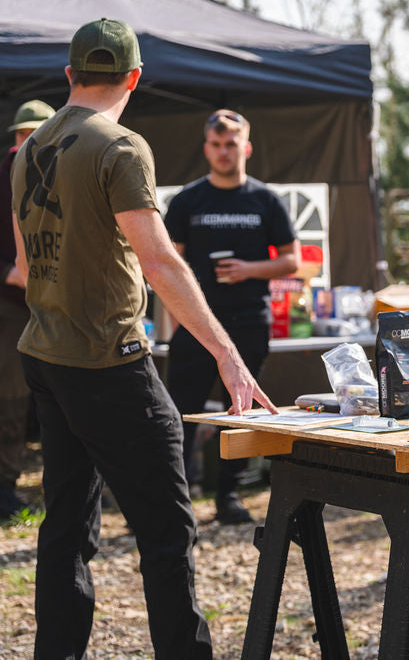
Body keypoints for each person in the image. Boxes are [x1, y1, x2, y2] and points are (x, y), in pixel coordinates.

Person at [11, 18, 274, 658]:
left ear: (70, 74)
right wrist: (228, 354)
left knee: (66, 526)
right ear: (134, 78)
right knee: (166, 528)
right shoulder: (120, 146)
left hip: (46, 352)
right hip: (107, 361)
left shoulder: (27, 151)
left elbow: (23, 268)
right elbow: (160, 263)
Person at [164, 109, 298, 524]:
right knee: (180, 413)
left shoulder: (265, 200)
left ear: (247, 147)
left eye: (232, 144)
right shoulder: (188, 200)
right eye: (217, 144)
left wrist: (249, 269)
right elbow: (167, 264)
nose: (224, 152)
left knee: (239, 414)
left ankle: (229, 497)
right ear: (206, 148)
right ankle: (175, 502)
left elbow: (292, 260)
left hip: (249, 322)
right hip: (196, 325)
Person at [1, 100, 53, 519]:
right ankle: (4, 486)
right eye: (24, 136)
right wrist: (8, 274)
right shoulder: (5, 177)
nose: (28, 143)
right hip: (11, 308)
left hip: (50, 305)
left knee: (41, 397)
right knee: (11, 398)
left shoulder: (56, 173)